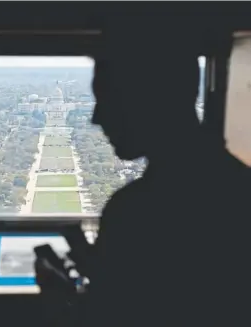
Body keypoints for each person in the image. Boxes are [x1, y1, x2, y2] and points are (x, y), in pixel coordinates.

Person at [35, 22, 251, 326]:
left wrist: (58, 299)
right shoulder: (240, 187)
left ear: (152, 99)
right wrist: (98, 267)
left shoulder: (134, 210)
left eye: (109, 98)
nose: (98, 117)